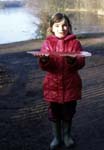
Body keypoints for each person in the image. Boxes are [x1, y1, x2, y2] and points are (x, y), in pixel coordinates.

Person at [38, 12, 85, 150]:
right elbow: (44, 66)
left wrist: (73, 61)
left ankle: (67, 136)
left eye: (64, 25)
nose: (61, 28)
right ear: (52, 28)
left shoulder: (75, 43)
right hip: (52, 86)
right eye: (57, 25)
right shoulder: (47, 43)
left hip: (71, 85)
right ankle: (56, 137)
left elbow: (81, 62)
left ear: (69, 27)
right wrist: (44, 60)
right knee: (54, 114)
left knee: (68, 113)